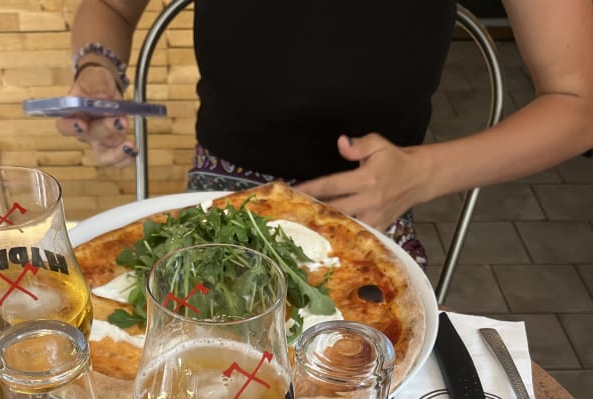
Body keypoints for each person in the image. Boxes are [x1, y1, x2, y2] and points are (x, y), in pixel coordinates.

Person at [56, 0, 593, 266]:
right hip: (218, 196)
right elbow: (109, 7)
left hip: (372, 204)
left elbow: (578, 102)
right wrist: (97, 71)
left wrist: (423, 175)